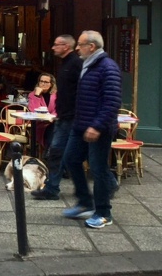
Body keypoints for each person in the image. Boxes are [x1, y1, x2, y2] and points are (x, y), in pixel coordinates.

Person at [62, 30, 121, 229]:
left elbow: (112, 101)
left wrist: (97, 126)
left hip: (99, 129)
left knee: (98, 168)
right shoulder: (88, 65)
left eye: (80, 44)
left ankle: (104, 213)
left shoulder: (107, 67)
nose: (77, 48)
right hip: (80, 125)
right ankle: (85, 202)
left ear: (92, 47)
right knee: (70, 159)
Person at [31, 35, 81, 201]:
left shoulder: (76, 64)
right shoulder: (65, 64)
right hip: (63, 117)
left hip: (72, 117)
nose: (53, 48)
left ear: (66, 46)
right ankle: (52, 189)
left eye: (56, 45)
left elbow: (82, 91)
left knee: (80, 154)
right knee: (56, 153)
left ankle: (108, 183)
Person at [27, 72, 57, 152]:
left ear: (51, 84)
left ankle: (49, 152)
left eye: (46, 82)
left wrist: (51, 118)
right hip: (39, 124)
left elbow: (57, 110)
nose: (43, 84)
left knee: (54, 128)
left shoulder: (55, 95)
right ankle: (50, 152)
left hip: (52, 122)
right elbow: (33, 110)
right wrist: (37, 95)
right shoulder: (32, 95)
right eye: (41, 81)